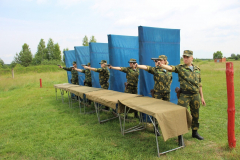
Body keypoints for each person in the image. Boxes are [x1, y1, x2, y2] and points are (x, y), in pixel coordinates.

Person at [159, 50, 206, 140]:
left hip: (195, 95)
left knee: (195, 114)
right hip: (184, 95)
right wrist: (161, 65)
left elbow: (199, 84)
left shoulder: (197, 69)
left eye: (187, 57)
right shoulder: (180, 68)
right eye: (184, 57)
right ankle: (180, 136)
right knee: (180, 115)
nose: (185, 58)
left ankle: (195, 132)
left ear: (192, 58)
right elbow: (170, 68)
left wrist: (202, 97)